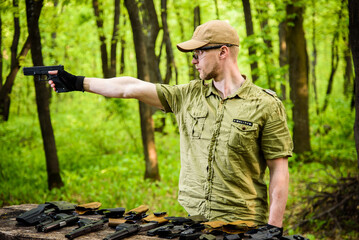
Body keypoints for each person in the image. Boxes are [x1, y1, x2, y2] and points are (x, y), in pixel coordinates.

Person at [48, 20, 293, 237]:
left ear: (223, 52)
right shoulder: (187, 95)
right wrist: (77, 82)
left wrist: (273, 228)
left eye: (199, 52)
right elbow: (129, 87)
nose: (193, 60)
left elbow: (279, 172)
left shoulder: (266, 105)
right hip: (195, 222)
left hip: (245, 224)